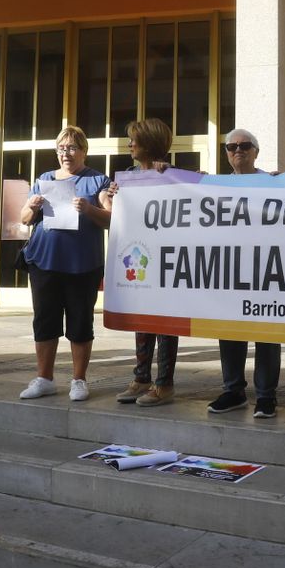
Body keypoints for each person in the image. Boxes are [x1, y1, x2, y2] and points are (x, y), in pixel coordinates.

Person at [17, 126, 112, 401]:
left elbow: (111, 218)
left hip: (83, 264)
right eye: (61, 148)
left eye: (71, 148)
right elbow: (24, 219)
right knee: (44, 320)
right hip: (44, 262)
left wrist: (90, 209)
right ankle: (44, 378)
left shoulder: (98, 181)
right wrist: (33, 206)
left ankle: (79, 380)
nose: (66, 153)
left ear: (83, 151)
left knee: (80, 322)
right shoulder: (45, 179)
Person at [104, 117, 182, 407]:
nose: (130, 144)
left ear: (150, 143)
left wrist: (171, 177)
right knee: (141, 319)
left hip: (167, 261)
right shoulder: (127, 175)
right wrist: (110, 197)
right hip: (141, 258)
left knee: (165, 323)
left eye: (134, 139)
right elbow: (116, 215)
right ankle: (141, 378)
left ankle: (164, 384)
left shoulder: (172, 174)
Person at [207, 129, 283, 419]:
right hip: (230, 270)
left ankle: (266, 396)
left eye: (245, 145)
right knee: (229, 330)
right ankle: (234, 391)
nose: (238, 150)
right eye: (231, 146)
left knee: (266, 331)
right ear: (226, 153)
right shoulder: (214, 187)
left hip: (265, 269)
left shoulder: (273, 183)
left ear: (256, 152)